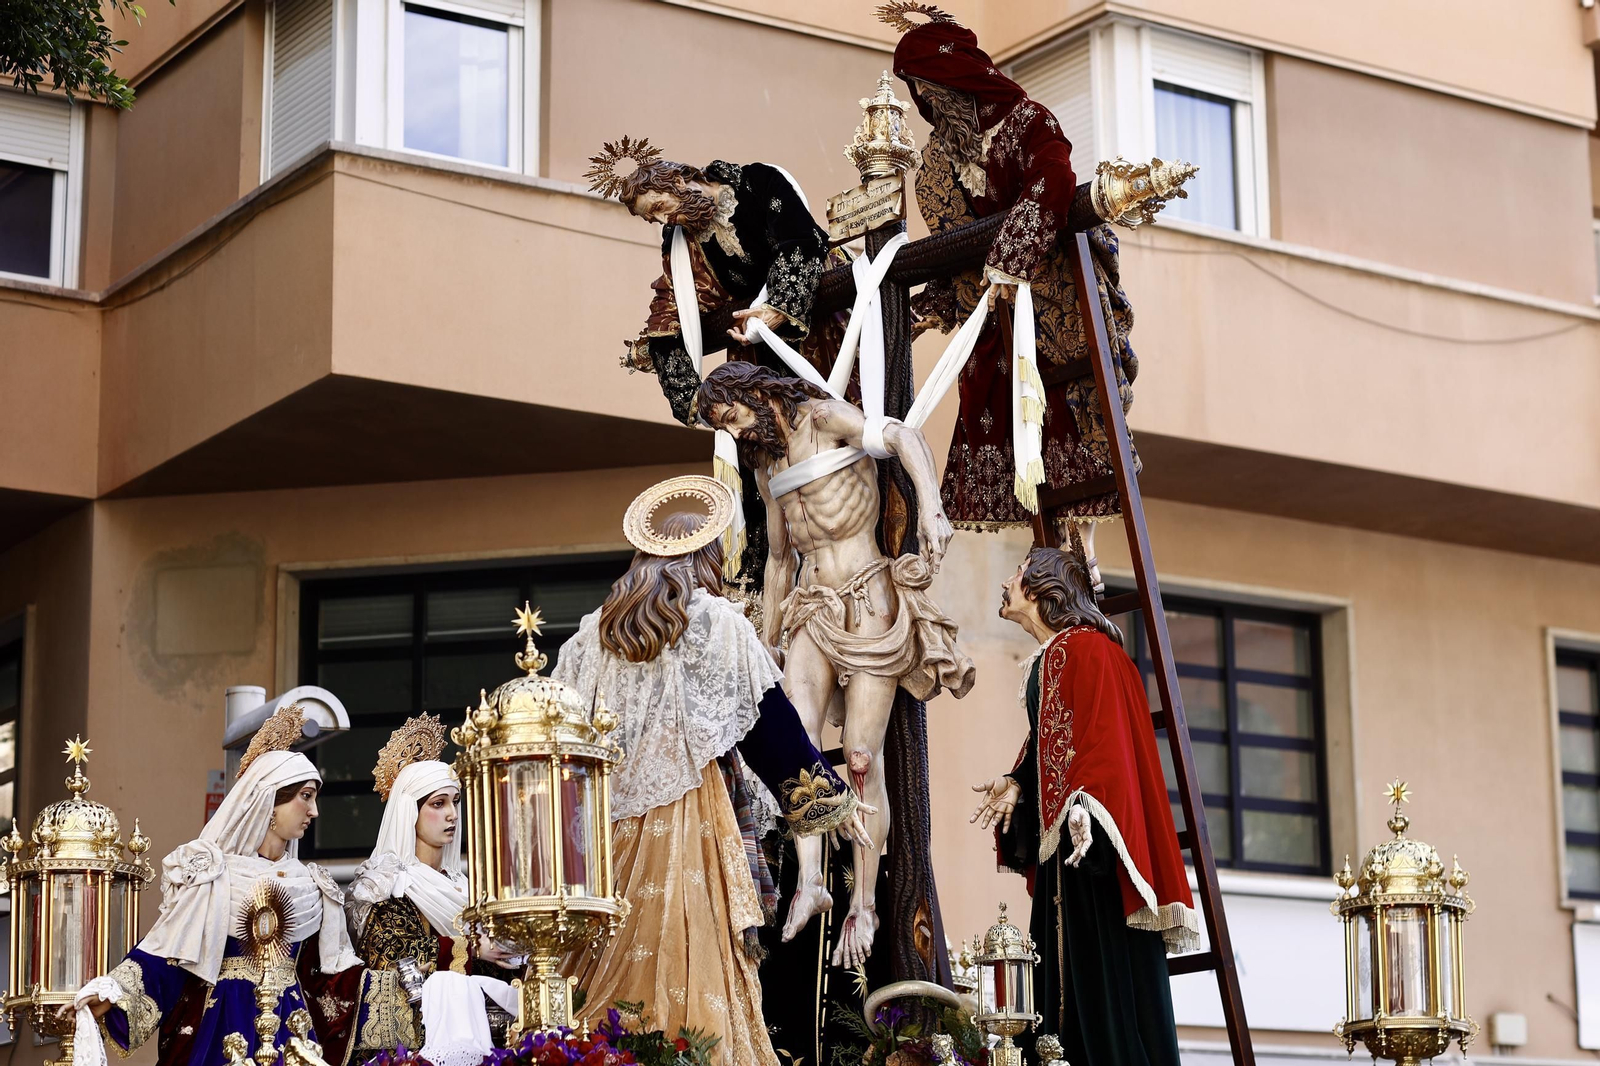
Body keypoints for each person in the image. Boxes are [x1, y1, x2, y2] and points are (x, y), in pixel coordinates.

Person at [552, 474, 873, 1066]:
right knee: (697, 976)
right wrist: (831, 803)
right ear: (706, 556)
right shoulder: (716, 624)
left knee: (602, 991)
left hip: (603, 844)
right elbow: (769, 726)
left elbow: (559, 755)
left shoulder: (586, 639)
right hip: (692, 831)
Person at [695, 360, 975, 969]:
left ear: (752, 393)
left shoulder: (824, 417)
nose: (736, 432)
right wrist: (764, 641)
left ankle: (865, 903)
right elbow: (774, 561)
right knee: (796, 743)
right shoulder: (767, 463)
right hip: (810, 606)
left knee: (859, 758)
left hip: (867, 596)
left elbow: (901, 435)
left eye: (733, 416)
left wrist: (930, 507)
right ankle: (812, 880)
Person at [881, 2, 1141, 591]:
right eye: (917, 92)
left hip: (1055, 297)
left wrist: (1010, 260)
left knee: (1071, 415)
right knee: (1009, 420)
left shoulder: (1028, 122)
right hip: (995, 309)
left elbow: (1055, 182)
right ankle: (1048, 552)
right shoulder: (937, 165)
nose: (925, 102)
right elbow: (951, 248)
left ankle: (1083, 556)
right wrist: (929, 310)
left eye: (928, 87)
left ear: (955, 81)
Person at [971, 548, 1197, 1066]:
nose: (1006, 580)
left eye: (1018, 573)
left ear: (1040, 588)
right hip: (1068, 842)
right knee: (1059, 972)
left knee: (1097, 972)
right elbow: (1053, 739)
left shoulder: (1087, 651)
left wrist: (1085, 802)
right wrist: (1017, 783)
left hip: (1087, 842)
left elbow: (1103, 738)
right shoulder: (1061, 653)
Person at [586, 138, 843, 590]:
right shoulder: (680, 241)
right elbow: (670, 308)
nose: (664, 219)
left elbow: (803, 241)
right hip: (754, 354)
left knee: (829, 435)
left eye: (661, 205)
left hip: (815, 331)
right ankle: (764, 587)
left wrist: (777, 308)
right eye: (654, 217)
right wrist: (695, 397)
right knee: (760, 464)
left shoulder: (758, 181)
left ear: (681, 180)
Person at [73, 705, 362, 1066]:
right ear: (269, 801)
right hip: (223, 1025)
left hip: (293, 1030)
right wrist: (111, 996)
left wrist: (396, 988)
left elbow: (328, 981)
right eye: (305, 795)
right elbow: (169, 955)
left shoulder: (311, 887)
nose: (314, 811)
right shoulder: (214, 878)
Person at [344, 715, 518, 1063]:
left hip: (491, 1037)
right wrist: (470, 948)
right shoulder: (382, 886)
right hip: (416, 1041)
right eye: (438, 804)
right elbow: (392, 957)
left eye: (455, 801)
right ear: (411, 811)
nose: (452, 814)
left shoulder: (470, 889)